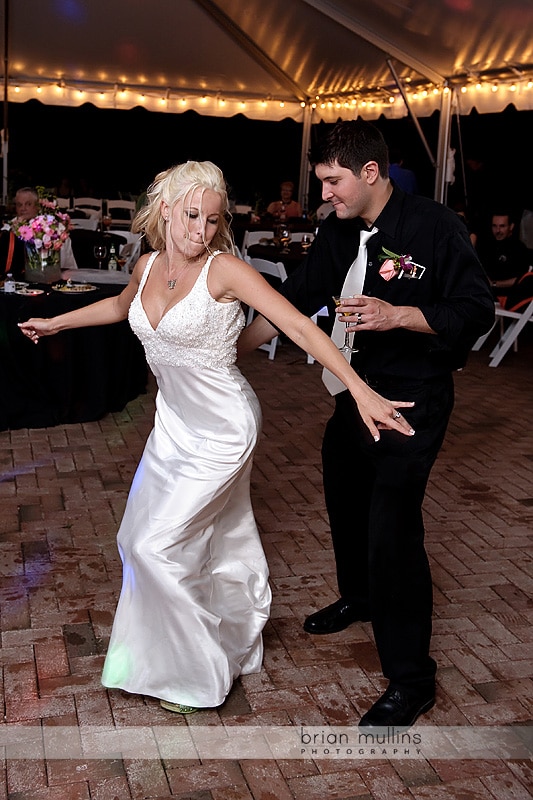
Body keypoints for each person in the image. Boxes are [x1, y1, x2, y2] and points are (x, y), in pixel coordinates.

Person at [19, 160, 415, 715]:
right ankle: (157, 658)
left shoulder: (224, 270)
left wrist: (360, 390)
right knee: (142, 539)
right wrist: (56, 322)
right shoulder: (149, 263)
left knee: (157, 545)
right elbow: (118, 305)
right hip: (172, 426)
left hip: (224, 427)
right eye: (190, 216)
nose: (200, 230)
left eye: (211, 219)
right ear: (165, 210)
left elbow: (299, 323)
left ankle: (198, 670)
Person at [238, 121, 495, 729]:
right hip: (352, 396)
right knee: (344, 499)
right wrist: (231, 350)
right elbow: (297, 299)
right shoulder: (336, 230)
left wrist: (401, 314)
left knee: (392, 531)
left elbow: (476, 310)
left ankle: (411, 680)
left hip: (410, 403)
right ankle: (358, 595)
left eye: (332, 182)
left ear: (370, 174)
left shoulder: (434, 227)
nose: (324, 193)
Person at [5, 187, 78, 271]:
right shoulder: (8, 229)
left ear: (37, 206)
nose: (23, 208)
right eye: (19, 205)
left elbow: (68, 266)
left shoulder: (51, 228)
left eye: (28, 204)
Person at [475, 211, 531, 299]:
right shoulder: (485, 246)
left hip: (508, 299)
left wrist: (494, 284)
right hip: (485, 297)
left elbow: (522, 279)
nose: (498, 230)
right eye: (494, 226)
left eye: (502, 226)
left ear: (511, 226)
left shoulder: (519, 249)